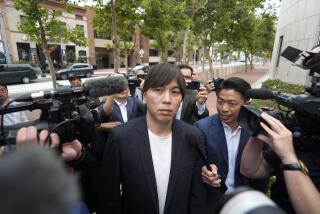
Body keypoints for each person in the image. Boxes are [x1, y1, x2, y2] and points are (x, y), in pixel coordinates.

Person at [101, 63, 206, 214]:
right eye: (158, 90)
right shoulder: (121, 138)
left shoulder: (192, 137)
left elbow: (197, 198)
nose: (167, 99)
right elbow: (110, 198)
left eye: (175, 92)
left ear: (182, 98)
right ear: (144, 95)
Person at [194, 77, 268, 209]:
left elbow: (263, 174)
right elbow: (195, 164)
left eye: (232, 103)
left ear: (248, 102)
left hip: (247, 203)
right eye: (220, 102)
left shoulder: (260, 130)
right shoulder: (202, 127)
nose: (224, 108)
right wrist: (204, 171)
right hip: (212, 203)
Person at [240, 112, 320, 213]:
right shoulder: (303, 142)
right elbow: (251, 170)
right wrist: (259, 131)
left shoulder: (289, 152)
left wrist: (288, 157)